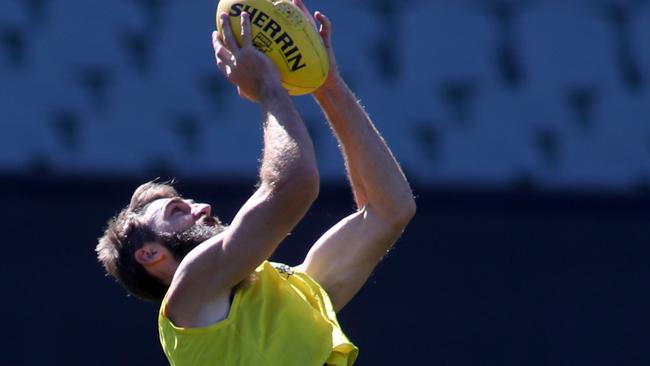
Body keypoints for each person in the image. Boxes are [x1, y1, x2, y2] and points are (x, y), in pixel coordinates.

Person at [96, 2, 415, 365]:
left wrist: (327, 86)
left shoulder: (287, 293)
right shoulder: (189, 295)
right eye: (177, 211)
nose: (203, 208)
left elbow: (390, 210)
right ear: (151, 254)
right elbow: (293, 187)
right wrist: (267, 87)